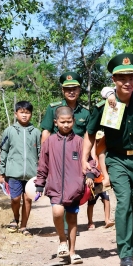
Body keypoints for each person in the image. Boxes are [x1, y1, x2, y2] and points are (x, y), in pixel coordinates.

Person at [82, 53, 133, 266]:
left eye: (131, 77)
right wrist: (85, 159)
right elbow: (90, 133)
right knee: (124, 201)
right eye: (122, 78)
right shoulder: (105, 107)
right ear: (114, 80)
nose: (128, 82)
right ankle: (125, 251)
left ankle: (131, 241)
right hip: (116, 159)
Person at [40, 71, 92, 237]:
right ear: (62, 90)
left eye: (75, 88)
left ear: (79, 90)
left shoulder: (85, 112)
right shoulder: (53, 108)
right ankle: (64, 228)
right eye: (67, 88)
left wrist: (90, 159)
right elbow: (46, 133)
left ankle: (71, 223)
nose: (71, 91)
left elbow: (88, 136)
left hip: (77, 156)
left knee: (74, 189)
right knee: (59, 189)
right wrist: (45, 157)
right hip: (58, 155)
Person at [35, 106, 87, 265]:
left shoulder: (79, 141)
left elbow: (88, 161)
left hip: (74, 188)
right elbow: (43, 164)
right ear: (55, 122)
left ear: (74, 121)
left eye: (69, 121)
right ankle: (62, 241)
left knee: (72, 219)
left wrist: (90, 175)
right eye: (62, 122)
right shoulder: (49, 141)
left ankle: (72, 252)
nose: (66, 125)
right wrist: (39, 184)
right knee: (58, 212)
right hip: (55, 186)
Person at [0, 101, 41, 236]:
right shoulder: (9, 131)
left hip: (31, 174)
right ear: (15, 114)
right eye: (22, 112)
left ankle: (24, 226)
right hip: (14, 172)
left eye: (27, 113)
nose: (24, 115)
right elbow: (3, 151)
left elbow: (40, 153)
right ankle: (15, 218)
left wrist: (41, 172)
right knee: (15, 199)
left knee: (28, 199)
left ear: (31, 115)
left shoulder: (36, 132)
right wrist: (2, 170)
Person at [86, 130, 115, 231]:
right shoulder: (90, 156)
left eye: (101, 141)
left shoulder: (106, 155)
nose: (99, 143)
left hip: (103, 183)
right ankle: (90, 222)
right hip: (94, 183)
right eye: (97, 141)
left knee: (106, 199)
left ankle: (107, 219)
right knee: (91, 202)